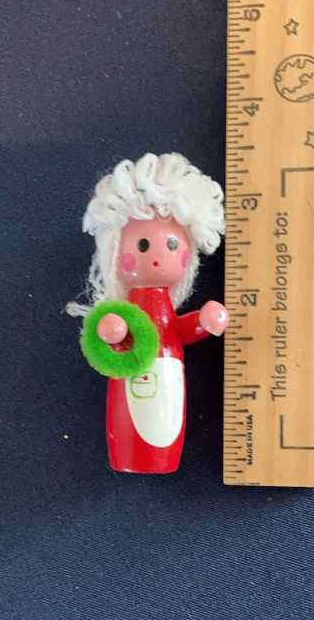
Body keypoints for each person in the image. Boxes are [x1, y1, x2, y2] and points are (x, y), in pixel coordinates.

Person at [68, 153, 228, 473]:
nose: (157, 256)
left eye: (172, 246)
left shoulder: (165, 308)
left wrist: (203, 321)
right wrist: (112, 332)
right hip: (136, 375)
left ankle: (161, 461)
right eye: (142, 246)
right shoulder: (128, 308)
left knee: (163, 419)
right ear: (115, 252)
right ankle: (129, 458)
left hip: (168, 377)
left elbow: (177, 332)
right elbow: (119, 339)